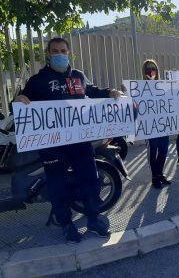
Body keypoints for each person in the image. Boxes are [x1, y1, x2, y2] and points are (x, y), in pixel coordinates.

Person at [14, 37, 121, 243]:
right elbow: (21, 99)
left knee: (91, 180)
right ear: (48, 54)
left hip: (80, 143)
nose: (59, 54)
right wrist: (19, 100)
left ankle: (93, 219)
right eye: (55, 51)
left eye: (63, 50)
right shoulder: (38, 80)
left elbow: (93, 91)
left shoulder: (79, 77)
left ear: (69, 52)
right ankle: (66, 224)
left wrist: (110, 92)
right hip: (52, 146)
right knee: (57, 186)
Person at [142, 59, 172, 189]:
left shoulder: (162, 85)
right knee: (153, 150)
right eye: (148, 68)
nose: (151, 70)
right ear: (144, 71)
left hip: (163, 124)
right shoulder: (140, 86)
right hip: (150, 125)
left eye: (153, 67)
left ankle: (160, 173)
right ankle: (154, 176)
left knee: (164, 150)